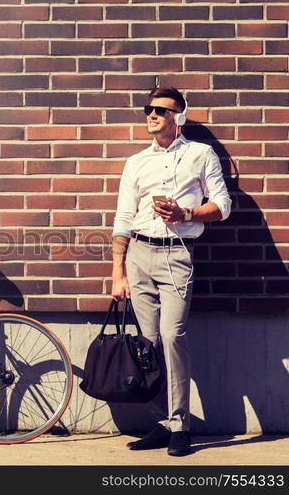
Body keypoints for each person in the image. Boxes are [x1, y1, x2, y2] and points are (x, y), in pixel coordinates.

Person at [110, 87, 232, 456]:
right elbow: (123, 217)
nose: (152, 115)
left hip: (177, 255)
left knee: (172, 336)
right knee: (149, 344)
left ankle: (181, 426)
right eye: (149, 109)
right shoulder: (136, 162)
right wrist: (118, 271)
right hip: (139, 255)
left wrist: (187, 214)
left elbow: (223, 205)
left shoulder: (200, 154)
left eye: (161, 110)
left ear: (179, 116)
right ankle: (162, 422)